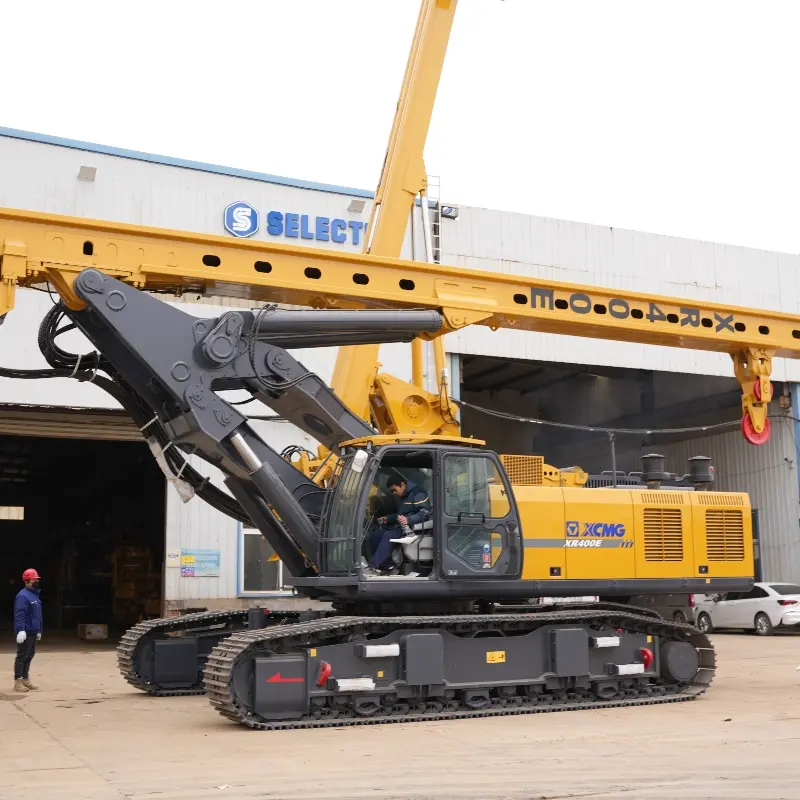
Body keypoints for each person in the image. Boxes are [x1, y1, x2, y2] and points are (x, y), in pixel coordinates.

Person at [366, 476, 431, 574]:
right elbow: (401, 514)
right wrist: (388, 519)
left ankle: (373, 567)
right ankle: (388, 565)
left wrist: (408, 520)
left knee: (389, 536)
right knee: (375, 535)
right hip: (401, 525)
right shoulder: (403, 496)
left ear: (402, 484)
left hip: (413, 527)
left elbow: (425, 513)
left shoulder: (418, 493)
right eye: (391, 491)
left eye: (394, 490)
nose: (394, 493)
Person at [13, 568, 43, 692]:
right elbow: (20, 613)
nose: (36, 581)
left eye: (37, 579)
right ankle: (18, 681)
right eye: (34, 579)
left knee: (29, 655)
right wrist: (20, 629)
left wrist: (38, 630)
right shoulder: (23, 596)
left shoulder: (34, 595)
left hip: (32, 631)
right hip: (25, 631)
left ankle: (25, 679)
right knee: (22, 656)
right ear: (27, 581)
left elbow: (37, 615)